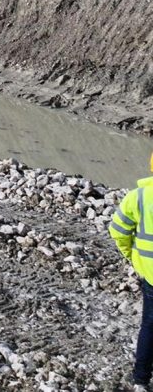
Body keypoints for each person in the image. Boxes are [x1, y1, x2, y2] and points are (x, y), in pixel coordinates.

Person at [110, 151, 153, 389]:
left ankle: (141, 380)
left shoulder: (137, 197)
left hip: (151, 273)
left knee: (149, 324)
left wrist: (132, 257)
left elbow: (117, 230)